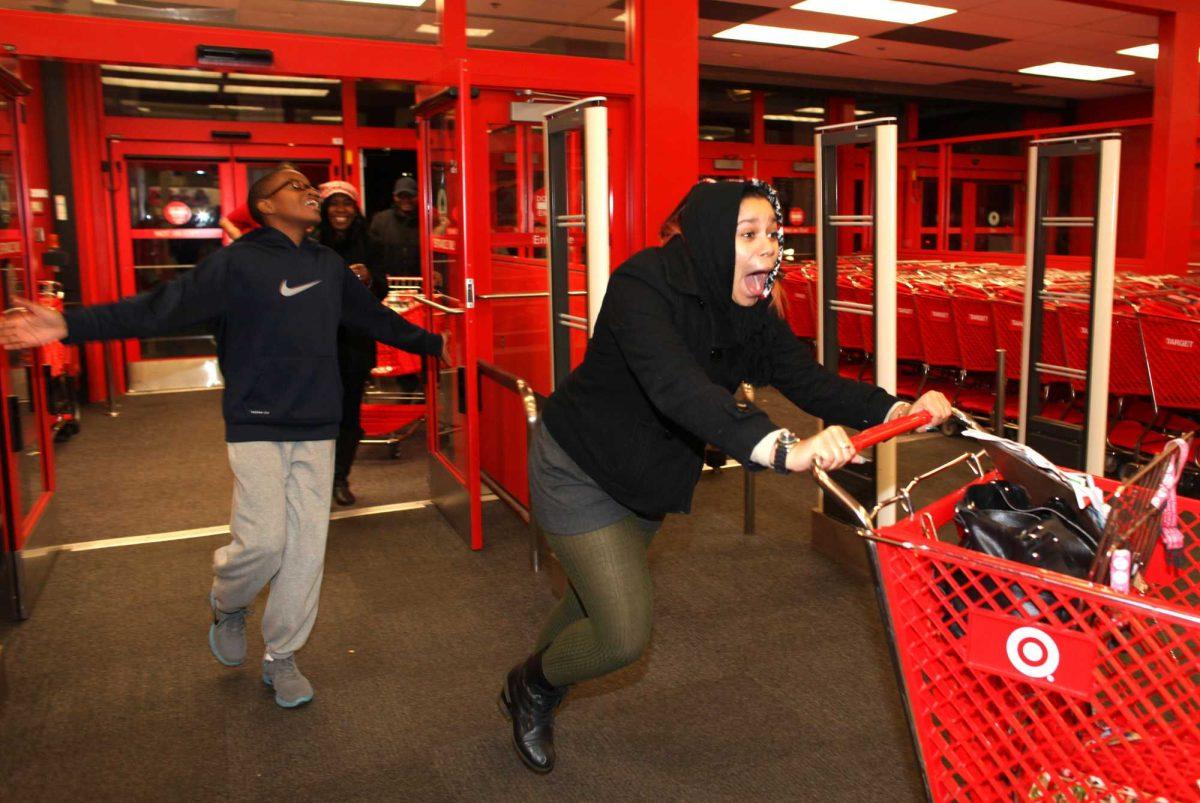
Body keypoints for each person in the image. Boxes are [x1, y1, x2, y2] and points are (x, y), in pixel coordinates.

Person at [499, 179, 951, 773]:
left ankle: (534, 684)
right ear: (713, 238)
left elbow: (808, 380)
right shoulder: (644, 284)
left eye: (773, 235)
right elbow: (675, 385)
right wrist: (781, 447)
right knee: (624, 632)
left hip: (647, 477)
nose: (769, 249)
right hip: (579, 466)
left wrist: (894, 409)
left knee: (597, 600)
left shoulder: (750, 310)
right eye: (749, 234)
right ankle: (533, 684)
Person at [0, 167, 451, 709]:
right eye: (294, 186)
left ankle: (282, 656)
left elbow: (374, 319)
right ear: (263, 205)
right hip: (255, 420)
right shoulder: (236, 264)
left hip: (317, 424)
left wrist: (436, 343)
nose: (311, 192)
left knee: (306, 552)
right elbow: (157, 309)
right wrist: (68, 325)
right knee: (264, 542)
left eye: (311, 186)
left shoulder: (327, 266)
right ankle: (228, 600)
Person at [313, 180, 387, 507]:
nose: (340, 210)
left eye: (346, 204)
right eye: (334, 204)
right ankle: (312, 480)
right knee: (315, 415)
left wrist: (370, 278)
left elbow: (382, 290)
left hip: (355, 343)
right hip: (315, 342)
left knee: (348, 416)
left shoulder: (370, 242)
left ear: (355, 208)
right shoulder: (308, 241)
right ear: (324, 208)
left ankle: (340, 477)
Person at [368, 175, 420, 278]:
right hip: (388, 282)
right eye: (401, 196)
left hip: (420, 282)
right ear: (394, 197)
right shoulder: (380, 220)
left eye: (410, 196)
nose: (406, 200)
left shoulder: (425, 221)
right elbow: (372, 253)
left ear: (418, 196)